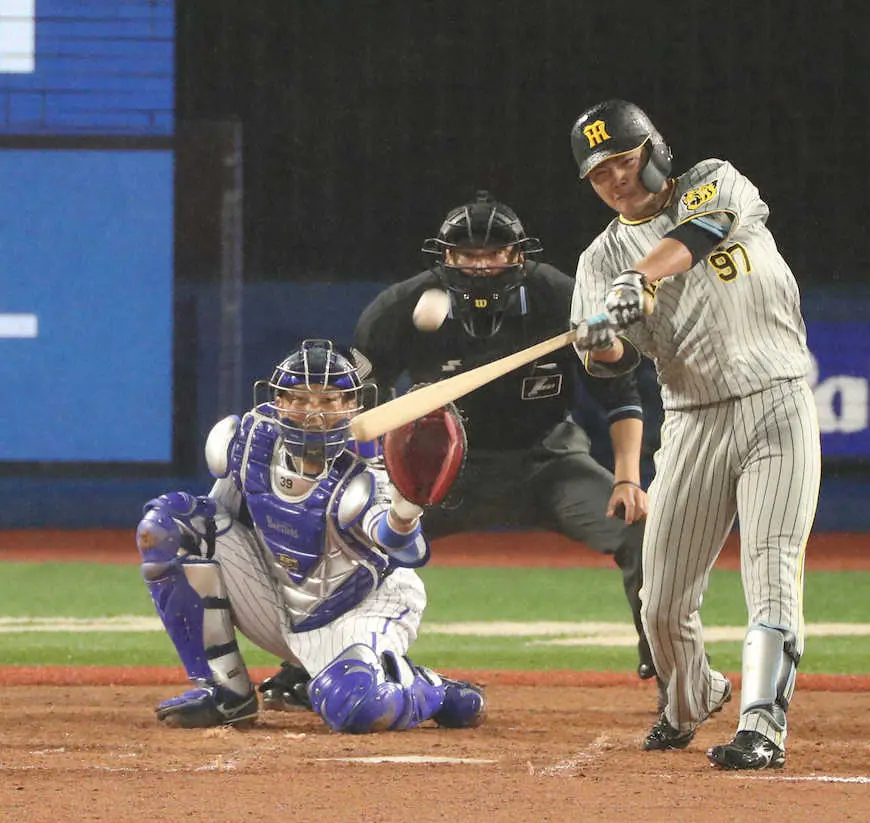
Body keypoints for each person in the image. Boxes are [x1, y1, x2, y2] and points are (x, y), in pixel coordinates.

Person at [258, 191, 666, 714]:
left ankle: (668, 671)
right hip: (438, 474)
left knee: (643, 534)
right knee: (343, 539)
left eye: (494, 253)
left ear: (519, 255)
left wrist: (628, 478)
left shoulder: (559, 298)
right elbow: (356, 403)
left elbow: (621, 394)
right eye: (467, 255)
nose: (481, 266)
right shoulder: (401, 308)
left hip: (549, 462)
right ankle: (308, 668)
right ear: (444, 257)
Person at [569, 99, 822, 770]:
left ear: (653, 150)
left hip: (778, 403)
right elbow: (614, 367)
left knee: (771, 570)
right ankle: (691, 698)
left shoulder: (715, 179)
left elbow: (704, 229)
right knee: (663, 598)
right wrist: (600, 343)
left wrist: (642, 276)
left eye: (624, 160)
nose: (617, 179)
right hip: (692, 420)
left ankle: (763, 726)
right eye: (600, 174)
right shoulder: (596, 261)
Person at [136, 338, 486, 733]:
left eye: (329, 401)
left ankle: (434, 689)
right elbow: (213, 519)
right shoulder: (252, 439)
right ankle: (226, 694)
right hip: (279, 596)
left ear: (353, 405)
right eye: (300, 399)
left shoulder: (372, 466)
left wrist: (406, 511)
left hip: (356, 605)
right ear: (279, 401)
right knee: (166, 525)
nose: (313, 414)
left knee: (358, 710)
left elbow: (397, 543)